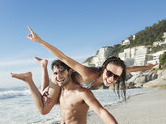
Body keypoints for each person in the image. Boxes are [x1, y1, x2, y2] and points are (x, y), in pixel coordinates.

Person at [27, 26, 155, 101]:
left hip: (69, 89)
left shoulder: (114, 72)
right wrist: (40, 41)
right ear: (104, 69)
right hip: (61, 80)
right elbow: (63, 57)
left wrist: (147, 67)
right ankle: (43, 66)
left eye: (115, 77)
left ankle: (43, 66)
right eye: (109, 73)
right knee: (42, 100)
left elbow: (130, 69)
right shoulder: (88, 73)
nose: (111, 79)